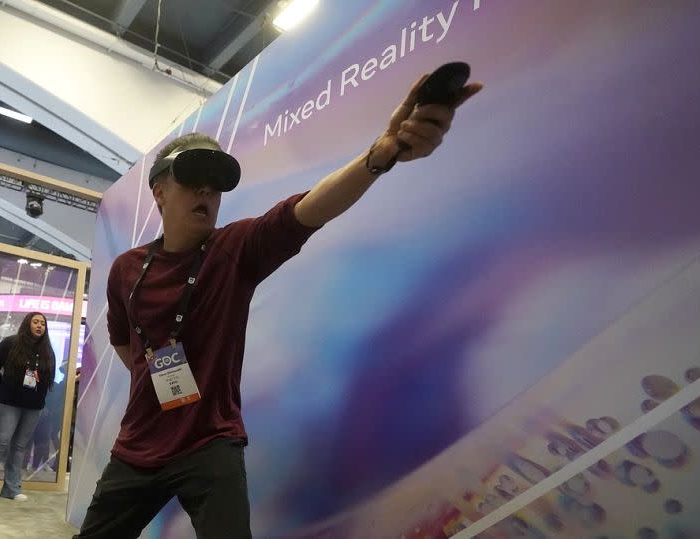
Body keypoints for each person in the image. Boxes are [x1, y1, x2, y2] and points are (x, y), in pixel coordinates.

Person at [74, 74, 483, 539]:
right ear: (160, 190)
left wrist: (381, 153)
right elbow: (126, 345)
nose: (207, 192)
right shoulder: (127, 268)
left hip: (210, 443)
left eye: (216, 184)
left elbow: (311, 208)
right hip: (138, 446)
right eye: (192, 179)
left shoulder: (235, 249)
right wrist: (158, 377)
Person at [0, 311, 56, 502]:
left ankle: (11, 488)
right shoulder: (10, 343)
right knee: (0, 443)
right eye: (35, 322)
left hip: (33, 406)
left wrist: (40, 398)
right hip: (9, 402)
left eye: (42, 323)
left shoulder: (46, 350)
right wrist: (3, 387)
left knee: (19, 446)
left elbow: (48, 378)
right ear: (27, 324)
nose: (39, 326)